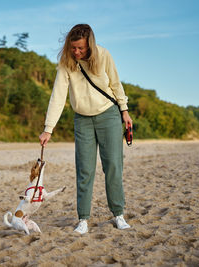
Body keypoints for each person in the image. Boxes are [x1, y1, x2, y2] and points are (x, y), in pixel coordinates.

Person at [39, 24, 132, 234]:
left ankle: (118, 214)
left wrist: (124, 112)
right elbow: (58, 96)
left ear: (89, 44)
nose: (76, 52)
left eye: (80, 48)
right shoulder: (66, 63)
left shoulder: (104, 55)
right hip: (82, 119)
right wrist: (48, 129)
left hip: (108, 115)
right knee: (84, 170)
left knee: (113, 167)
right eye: (73, 48)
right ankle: (83, 219)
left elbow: (116, 84)